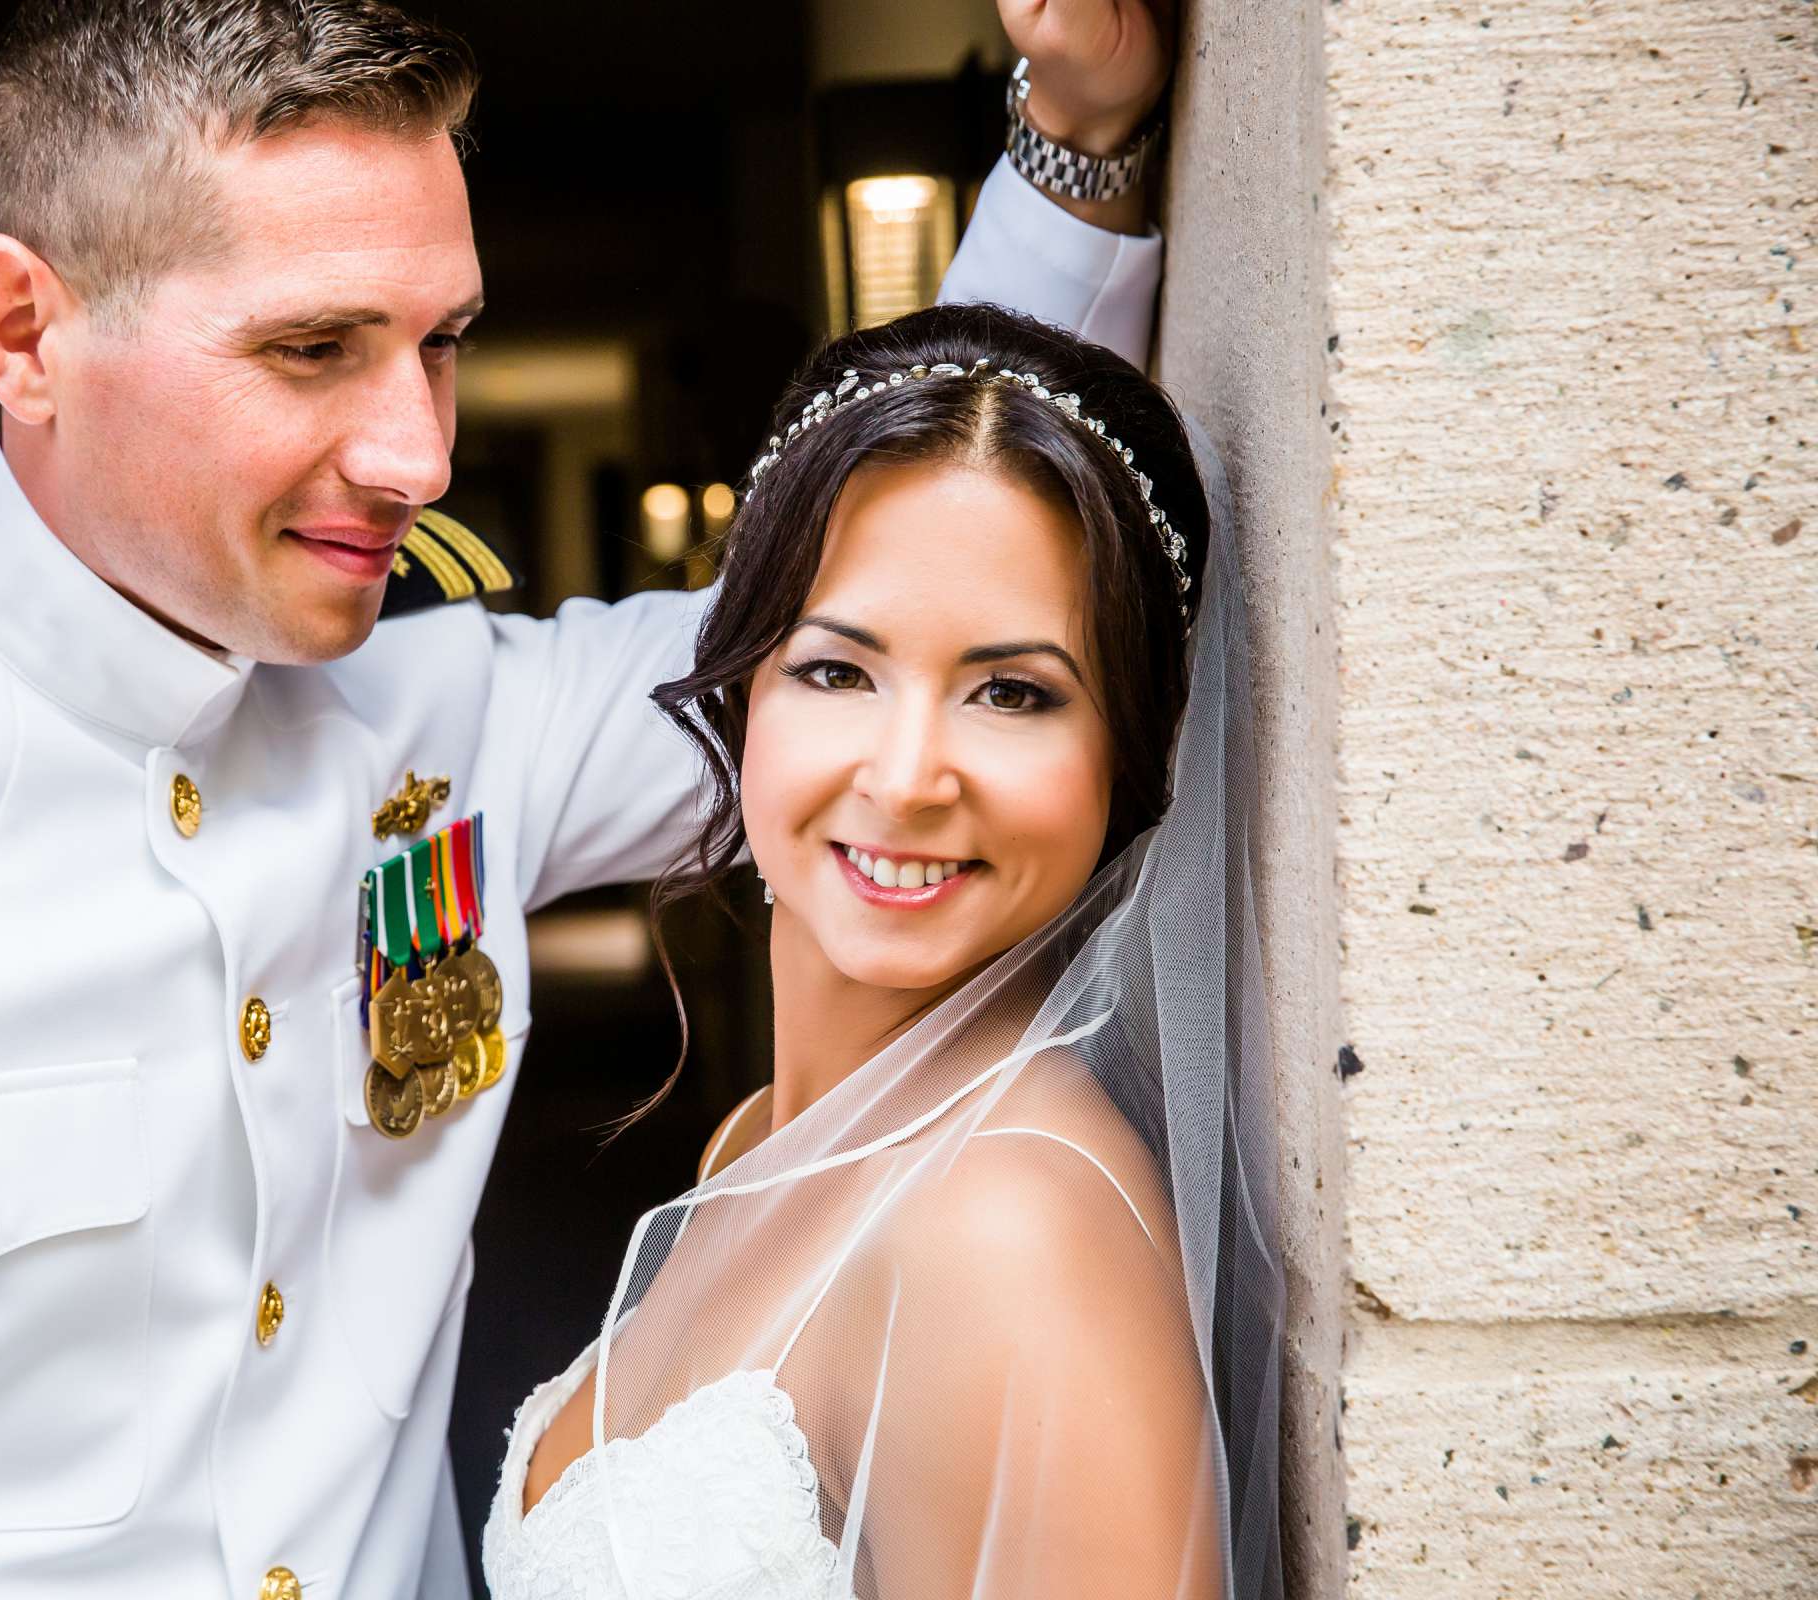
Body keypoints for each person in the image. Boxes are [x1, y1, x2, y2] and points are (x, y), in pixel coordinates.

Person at [0, 3, 1169, 1597]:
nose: (417, 452)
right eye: (315, 349)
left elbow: (878, 633)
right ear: (21, 327)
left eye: (443, 344)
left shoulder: (447, 694)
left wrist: (1073, 140)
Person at [479, 320, 1281, 1591]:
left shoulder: (1011, 1229)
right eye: (838, 670)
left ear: (1129, 758)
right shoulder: (753, 1139)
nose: (905, 779)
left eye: (1013, 692)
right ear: (741, 690)